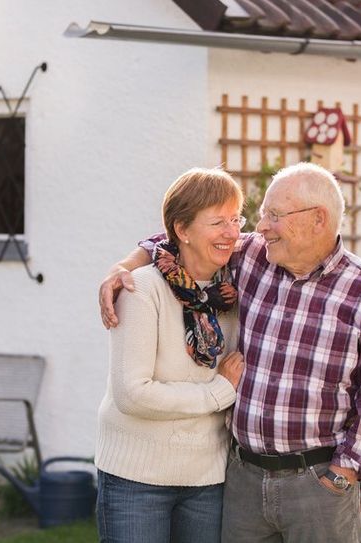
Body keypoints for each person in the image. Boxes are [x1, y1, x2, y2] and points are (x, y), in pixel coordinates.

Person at [99, 162, 361, 543]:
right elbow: (180, 237)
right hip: (243, 480)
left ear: (318, 219)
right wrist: (125, 265)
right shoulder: (253, 258)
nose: (259, 227)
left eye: (274, 216)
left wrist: (345, 473)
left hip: (317, 485)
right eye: (261, 215)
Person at [95, 167, 246, 543]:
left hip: (207, 479)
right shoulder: (141, 289)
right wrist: (219, 391)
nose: (232, 233)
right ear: (182, 230)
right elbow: (133, 394)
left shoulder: (232, 292)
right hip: (136, 480)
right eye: (217, 222)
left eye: (235, 219)